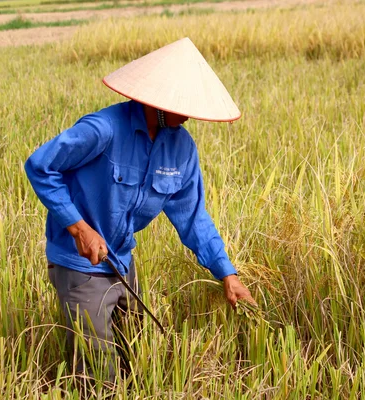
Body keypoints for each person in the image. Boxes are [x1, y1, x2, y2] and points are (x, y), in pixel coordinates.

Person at [24, 37, 256, 383]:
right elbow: (40, 166)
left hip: (122, 263)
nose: (189, 115)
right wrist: (79, 228)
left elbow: (193, 217)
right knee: (97, 376)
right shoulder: (102, 130)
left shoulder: (182, 149)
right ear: (157, 98)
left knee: (135, 358)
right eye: (183, 104)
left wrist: (227, 273)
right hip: (81, 267)